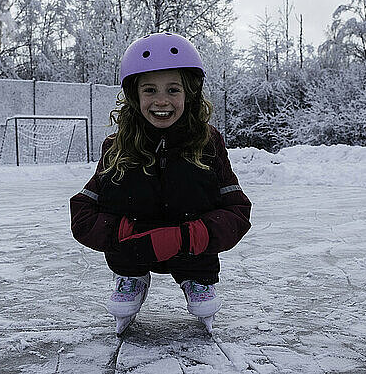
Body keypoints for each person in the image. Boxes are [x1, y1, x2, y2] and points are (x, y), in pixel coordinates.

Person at [70, 32, 251, 334]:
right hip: (133, 249)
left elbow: (237, 208)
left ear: (189, 93)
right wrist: (125, 234)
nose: (162, 101)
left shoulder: (208, 142)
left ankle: (197, 277)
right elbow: (83, 212)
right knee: (121, 187)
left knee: (196, 183)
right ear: (134, 96)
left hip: (193, 248)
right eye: (150, 90)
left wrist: (193, 235)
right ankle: (131, 277)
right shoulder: (116, 146)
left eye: (173, 89)